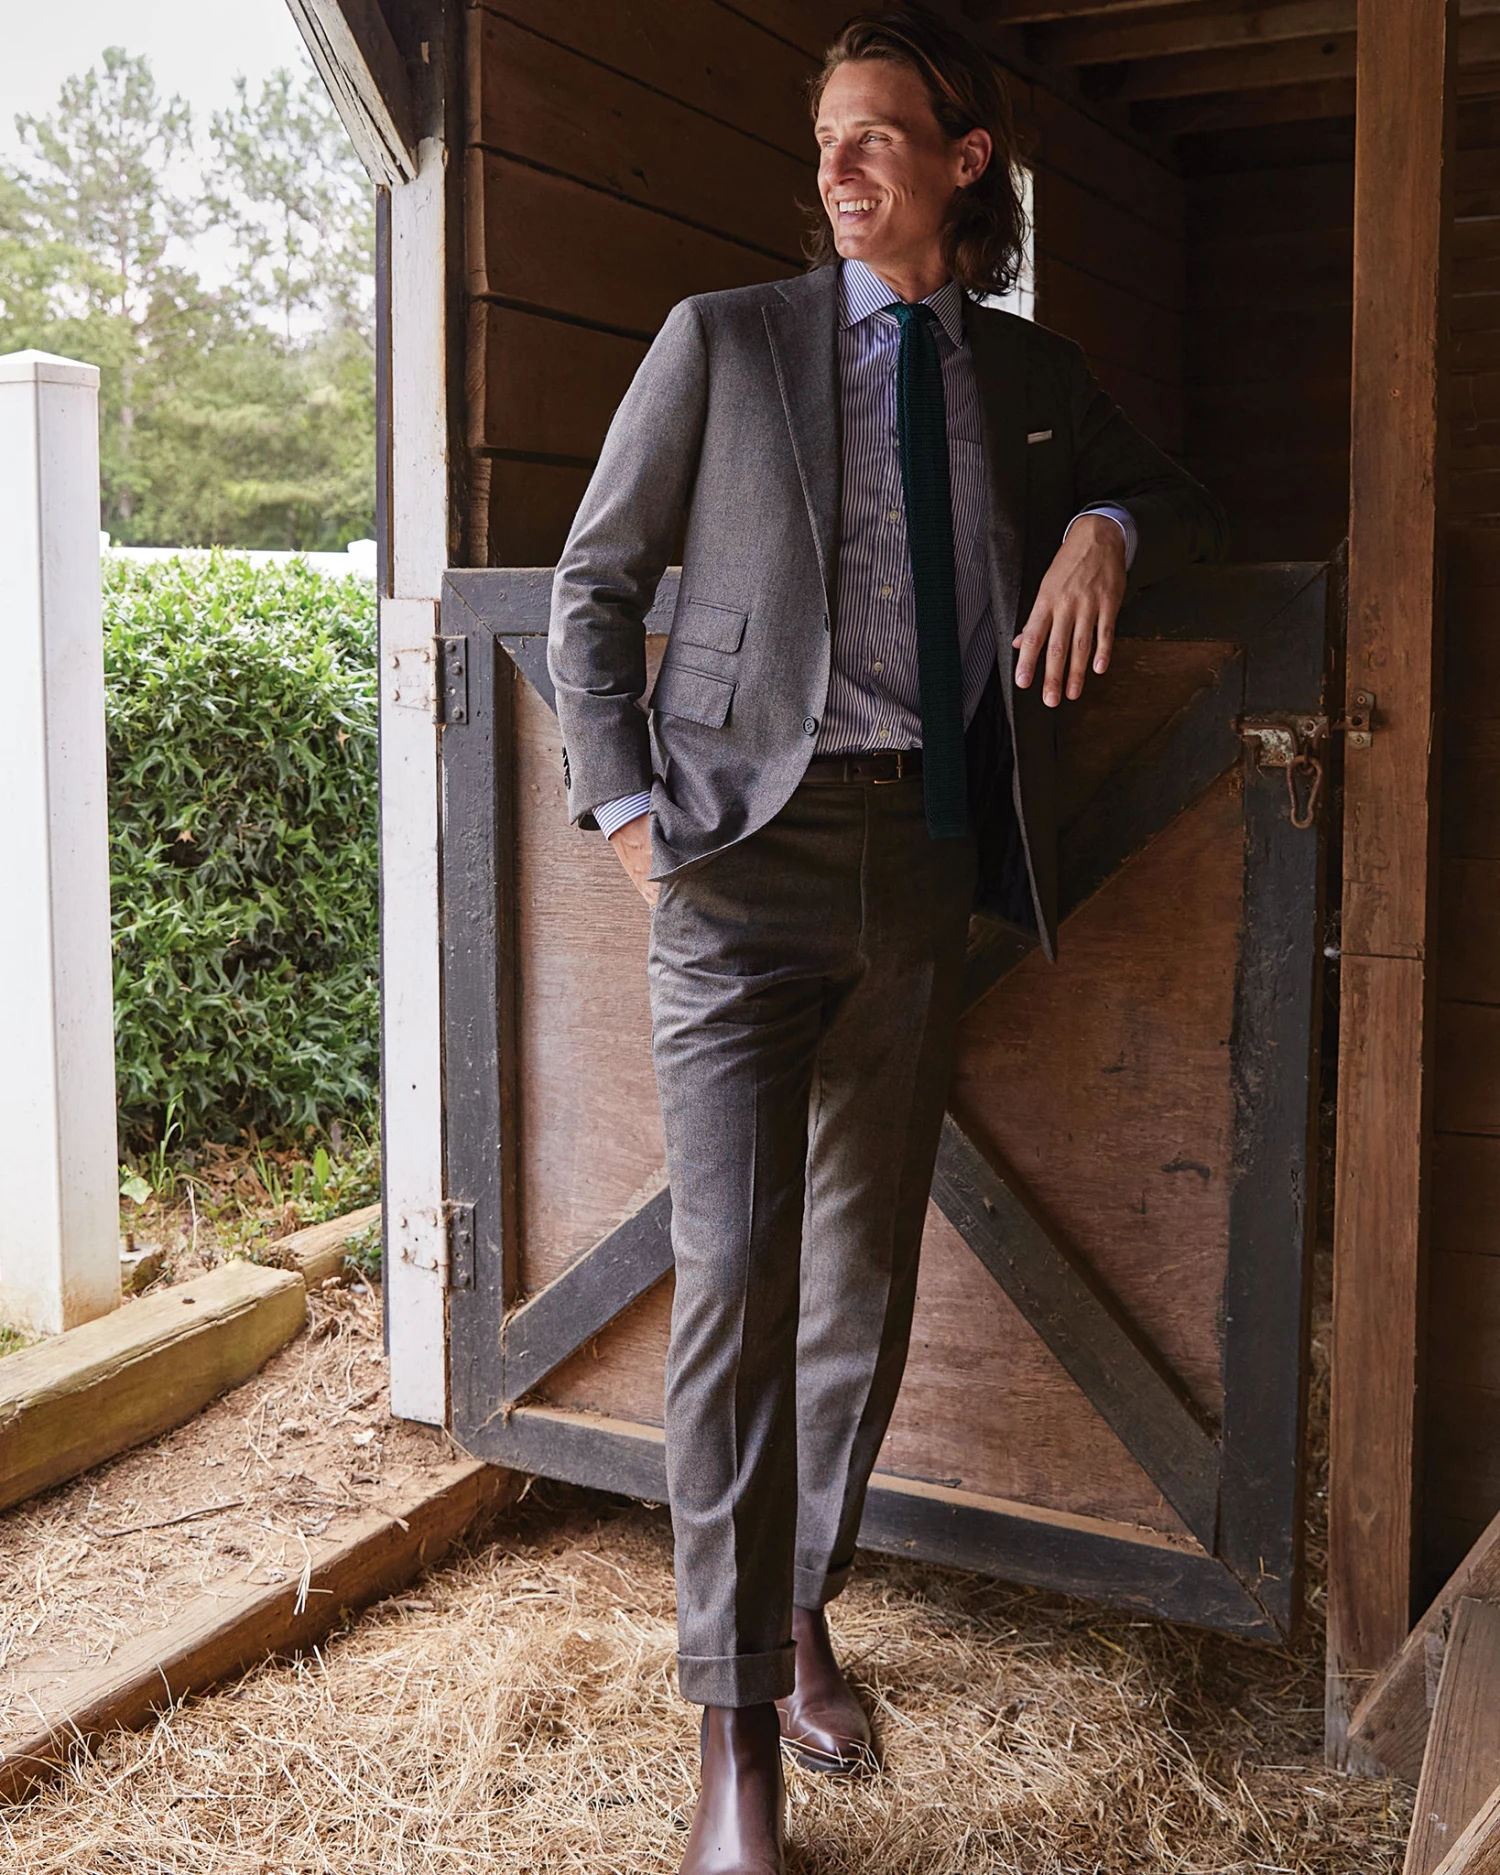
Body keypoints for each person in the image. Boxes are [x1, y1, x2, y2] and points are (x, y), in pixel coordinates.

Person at [547, 8, 1226, 1869]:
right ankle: (732, 1744)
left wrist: (1101, 526)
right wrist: (630, 821)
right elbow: (595, 583)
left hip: (925, 863)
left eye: (876, 136)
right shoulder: (725, 340)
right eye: (825, 138)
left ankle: (795, 1610)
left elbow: (1179, 497)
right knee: (734, 1284)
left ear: (963, 159)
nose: (838, 167)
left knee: (859, 1280)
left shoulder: (1032, 372)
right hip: (736, 867)